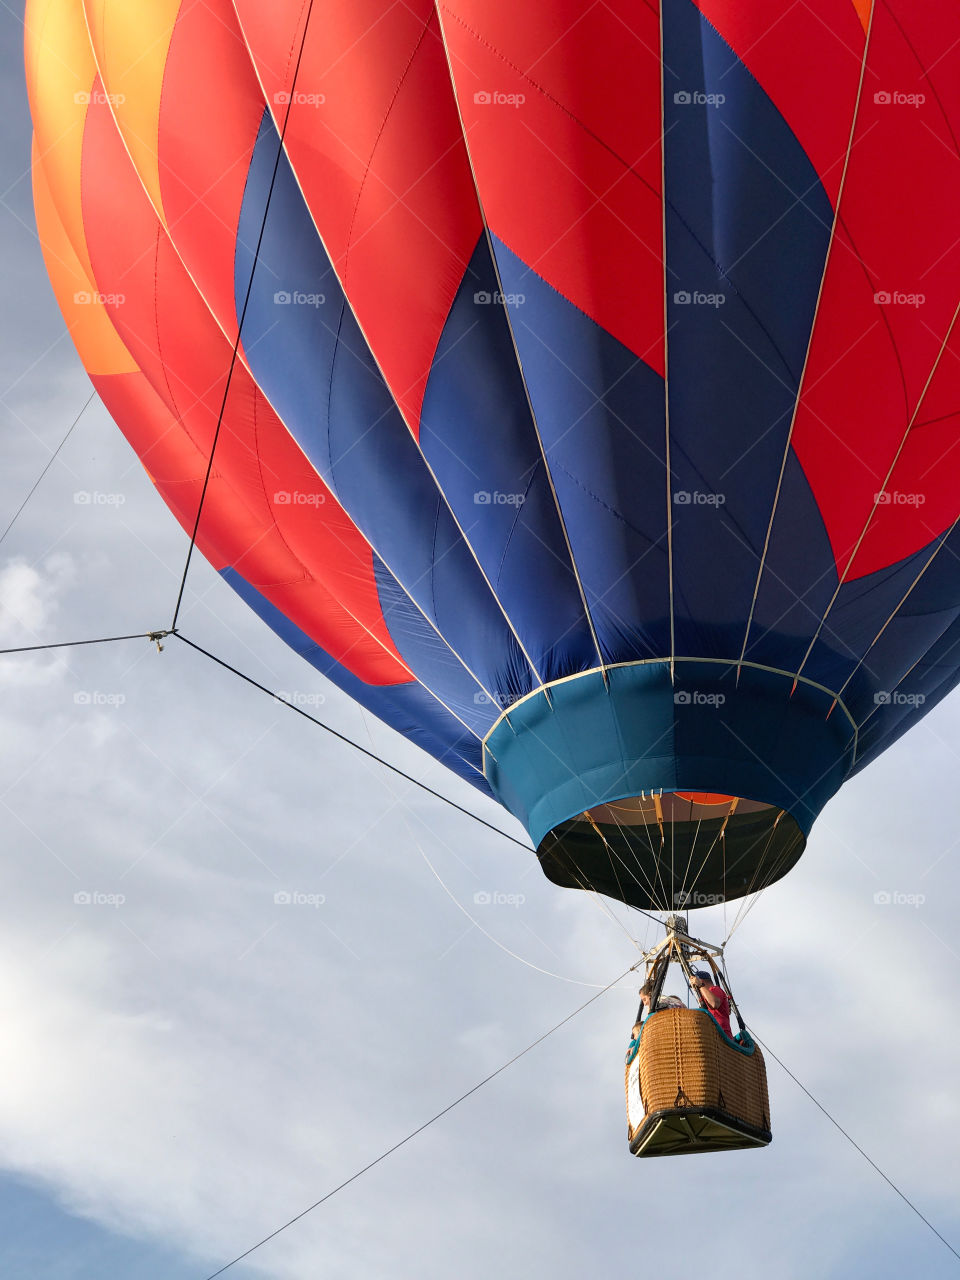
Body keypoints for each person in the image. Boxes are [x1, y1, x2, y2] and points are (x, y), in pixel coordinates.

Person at [690, 968, 732, 1037]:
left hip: (722, 1038)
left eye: (695, 984)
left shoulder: (715, 989)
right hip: (712, 1037)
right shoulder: (705, 998)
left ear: (701, 981)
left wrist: (700, 986)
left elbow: (714, 1004)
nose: (694, 987)